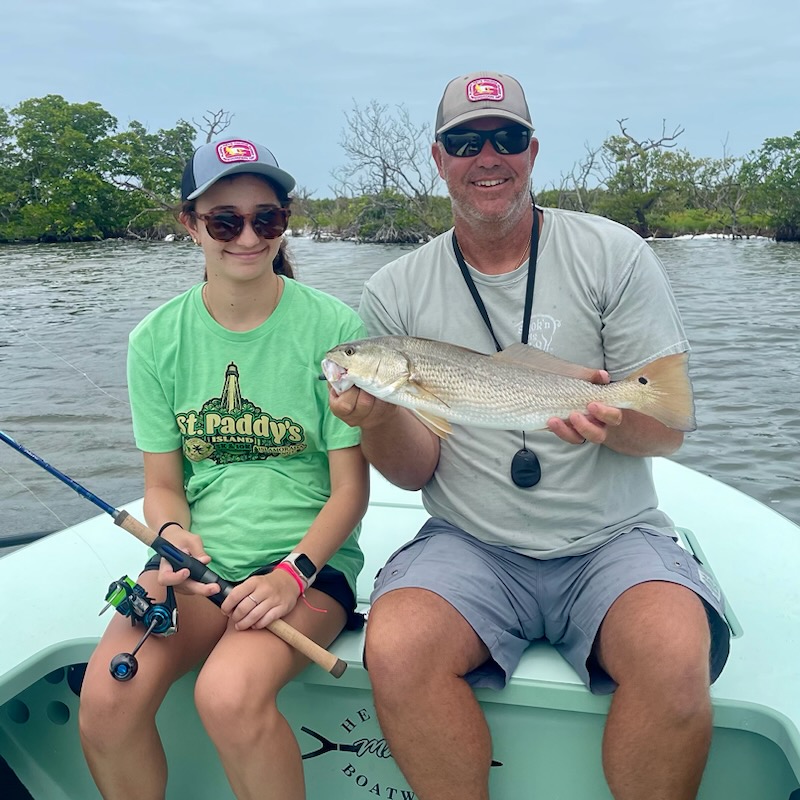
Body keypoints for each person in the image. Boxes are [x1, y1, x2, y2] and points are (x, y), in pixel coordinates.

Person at [329, 72, 730, 800]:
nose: (489, 156)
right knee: (396, 646)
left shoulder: (614, 253)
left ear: (533, 150)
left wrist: (612, 425)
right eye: (466, 141)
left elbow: (665, 435)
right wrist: (383, 414)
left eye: (507, 138)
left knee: (675, 652)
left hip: (612, 536)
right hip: (469, 541)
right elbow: (416, 473)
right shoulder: (394, 289)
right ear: (438, 157)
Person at [79, 138, 369, 800]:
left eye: (265, 219)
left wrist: (291, 576)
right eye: (224, 221)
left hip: (306, 572)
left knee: (229, 696)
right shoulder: (155, 339)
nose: (247, 237)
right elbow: (162, 485)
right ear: (190, 225)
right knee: (105, 702)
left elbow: (351, 492)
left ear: (284, 222)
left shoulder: (334, 327)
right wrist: (171, 533)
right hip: (198, 574)